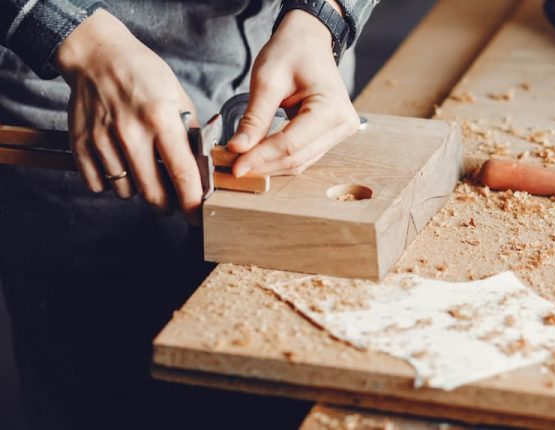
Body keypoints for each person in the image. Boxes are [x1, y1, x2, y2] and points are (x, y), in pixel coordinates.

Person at [0, 0, 376, 428]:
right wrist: (77, 39)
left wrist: (323, 18)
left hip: (292, 71)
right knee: (107, 396)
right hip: (75, 93)